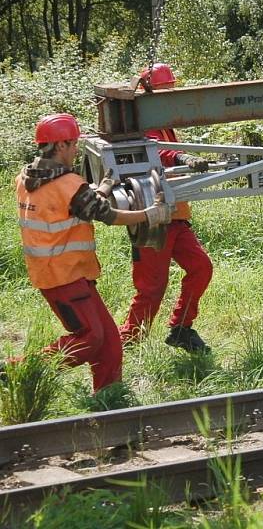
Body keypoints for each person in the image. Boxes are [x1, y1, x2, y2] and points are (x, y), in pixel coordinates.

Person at [14, 113, 171, 392]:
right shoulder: (69, 185)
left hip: (60, 274)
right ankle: (23, 369)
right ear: (60, 145)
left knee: (110, 343)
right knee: (90, 338)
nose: (76, 150)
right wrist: (148, 214)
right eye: (73, 144)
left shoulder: (27, 179)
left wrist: (104, 186)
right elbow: (107, 215)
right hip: (64, 277)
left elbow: (75, 204)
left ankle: (108, 400)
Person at [118, 63, 213, 353]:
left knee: (201, 267)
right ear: (150, 92)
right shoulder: (144, 121)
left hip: (176, 217)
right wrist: (182, 158)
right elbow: (154, 150)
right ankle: (126, 345)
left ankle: (181, 328)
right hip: (153, 218)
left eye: (172, 89)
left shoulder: (165, 120)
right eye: (166, 90)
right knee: (151, 290)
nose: (171, 94)